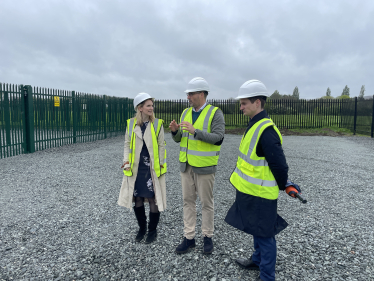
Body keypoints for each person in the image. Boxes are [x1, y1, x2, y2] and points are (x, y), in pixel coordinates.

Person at [224, 80, 298, 281]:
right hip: (250, 191)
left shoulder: (266, 131)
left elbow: (280, 166)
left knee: (265, 235)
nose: (241, 107)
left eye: (244, 103)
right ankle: (257, 260)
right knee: (256, 229)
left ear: (257, 102)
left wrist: (285, 184)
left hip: (262, 195)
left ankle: (267, 276)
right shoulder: (255, 125)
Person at [169, 77, 225, 254]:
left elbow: (218, 138)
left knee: (206, 203)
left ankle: (207, 237)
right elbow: (181, 140)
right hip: (186, 166)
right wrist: (175, 132)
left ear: (201, 94)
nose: (188, 97)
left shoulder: (215, 113)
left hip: (205, 167)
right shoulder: (185, 113)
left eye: (191, 94)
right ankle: (189, 238)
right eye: (188, 94)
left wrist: (196, 131)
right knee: (188, 202)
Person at [118, 92, 167, 244]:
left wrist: (161, 163)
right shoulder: (131, 124)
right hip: (136, 167)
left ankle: (152, 231)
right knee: (138, 198)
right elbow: (127, 144)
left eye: (152, 105)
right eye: (148, 105)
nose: (151, 108)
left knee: (153, 198)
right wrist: (126, 161)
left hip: (152, 167)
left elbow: (161, 145)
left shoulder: (157, 124)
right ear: (140, 108)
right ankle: (142, 228)